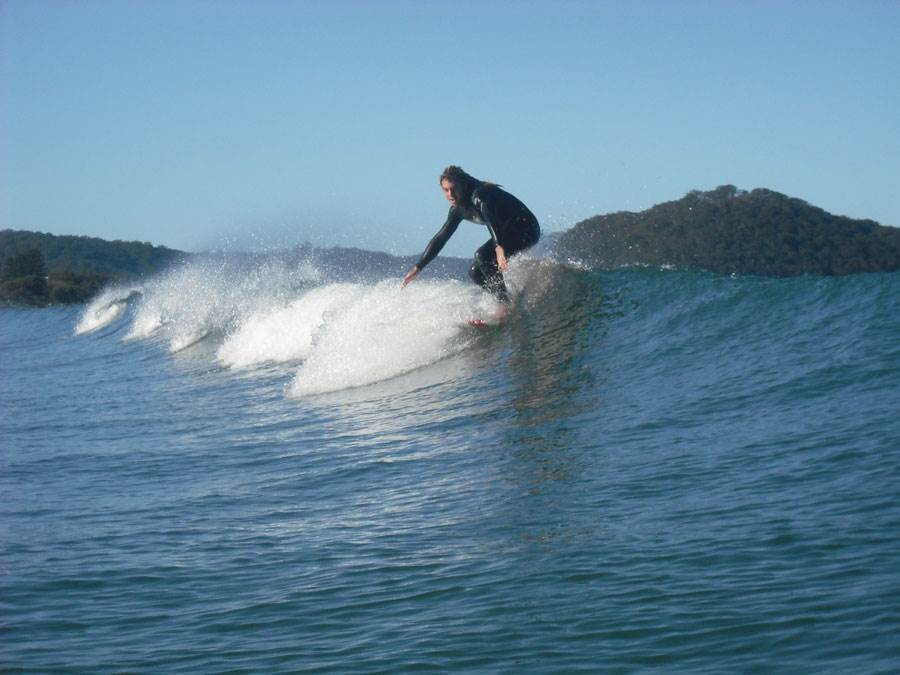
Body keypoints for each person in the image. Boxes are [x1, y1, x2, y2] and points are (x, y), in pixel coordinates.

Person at [402, 165, 540, 304]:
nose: (450, 194)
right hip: (506, 233)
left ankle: (505, 304)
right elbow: (441, 237)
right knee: (475, 272)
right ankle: (505, 300)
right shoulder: (457, 210)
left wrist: (499, 247)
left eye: (453, 189)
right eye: (446, 190)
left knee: (482, 255)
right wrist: (418, 267)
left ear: (463, 185)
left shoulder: (479, 196)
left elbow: (490, 218)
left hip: (526, 228)